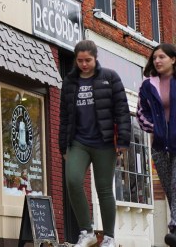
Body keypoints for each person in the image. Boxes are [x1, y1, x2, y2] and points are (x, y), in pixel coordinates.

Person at [59, 39, 131, 247]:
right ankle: (86, 231)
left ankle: (108, 237)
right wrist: (63, 145)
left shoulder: (110, 78)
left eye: (88, 60)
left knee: (104, 189)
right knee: (72, 180)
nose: (84, 64)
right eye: (80, 60)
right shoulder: (70, 82)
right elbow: (64, 116)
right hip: (78, 141)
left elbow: (122, 111)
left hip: (104, 142)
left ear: (95, 58)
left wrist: (123, 141)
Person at [136, 43, 176, 246]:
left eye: (162, 57)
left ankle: (175, 227)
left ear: (173, 59)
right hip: (159, 145)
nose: (157, 61)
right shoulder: (147, 85)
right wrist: (155, 127)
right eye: (155, 58)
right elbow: (141, 112)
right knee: (169, 187)